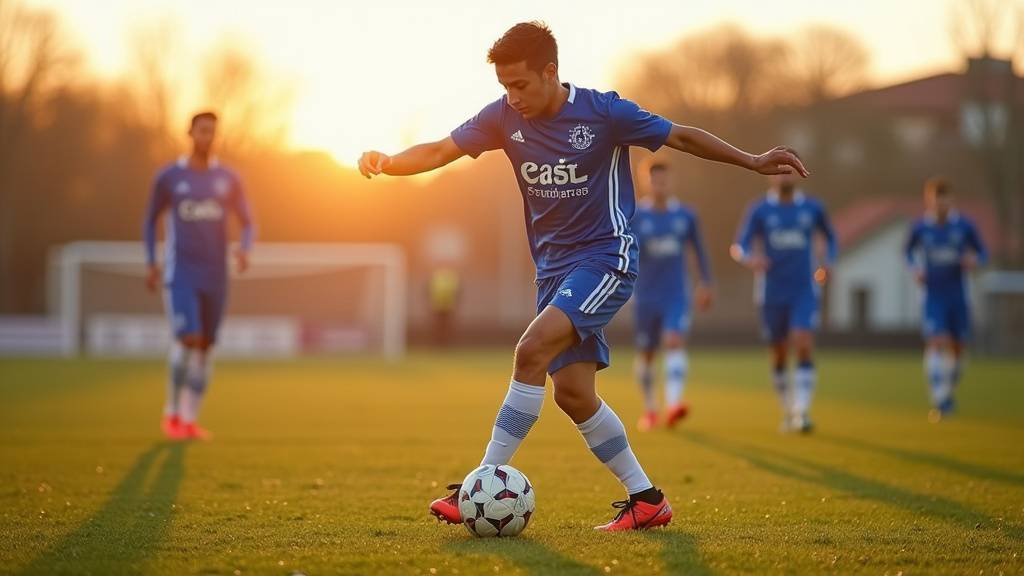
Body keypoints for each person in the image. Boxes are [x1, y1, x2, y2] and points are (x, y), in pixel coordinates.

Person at [358, 22, 807, 531]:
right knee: (573, 394)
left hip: (605, 258)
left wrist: (750, 161)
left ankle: (476, 485)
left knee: (530, 350)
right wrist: (389, 162)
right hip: (552, 273)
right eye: (505, 87)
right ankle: (647, 499)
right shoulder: (504, 118)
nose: (513, 96)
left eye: (522, 84)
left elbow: (679, 135)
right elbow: (441, 151)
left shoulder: (604, 112)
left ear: (551, 71)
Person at [144, 111, 254, 441]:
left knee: (206, 347)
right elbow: (150, 220)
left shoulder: (228, 179)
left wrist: (244, 249)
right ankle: (172, 413)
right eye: (202, 131)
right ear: (190, 133)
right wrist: (152, 260)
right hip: (182, 273)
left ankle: (190, 420)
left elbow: (248, 221)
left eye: (213, 132)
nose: (208, 137)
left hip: (216, 274)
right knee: (187, 339)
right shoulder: (169, 177)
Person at [731, 171, 834, 433]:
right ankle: (788, 410)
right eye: (780, 171)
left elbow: (830, 238)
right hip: (771, 292)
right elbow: (739, 245)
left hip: (803, 290)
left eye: (790, 170)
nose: (785, 176)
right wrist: (749, 259)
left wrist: (828, 262)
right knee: (778, 354)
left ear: (798, 174)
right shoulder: (760, 209)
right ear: (772, 175)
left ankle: (803, 411)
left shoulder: (812, 207)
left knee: (803, 342)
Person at [631, 162, 712, 431]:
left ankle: (674, 404)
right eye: (654, 181)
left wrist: (706, 283)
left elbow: (699, 251)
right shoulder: (635, 216)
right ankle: (650, 408)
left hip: (676, 294)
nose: (660, 185)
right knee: (646, 355)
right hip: (645, 296)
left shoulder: (686, 216)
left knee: (674, 340)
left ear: (671, 181)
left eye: (664, 180)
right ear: (646, 182)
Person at [904, 177, 987, 422]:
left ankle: (948, 393)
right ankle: (939, 398)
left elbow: (982, 251)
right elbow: (907, 252)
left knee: (958, 349)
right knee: (937, 341)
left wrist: (975, 261)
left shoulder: (965, 226)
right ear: (928, 201)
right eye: (935, 201)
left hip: (958, 294)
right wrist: (915, 269)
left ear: (951, 201)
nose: (940, 206)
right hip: (933, 295)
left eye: (944, 201)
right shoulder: (920, 228)